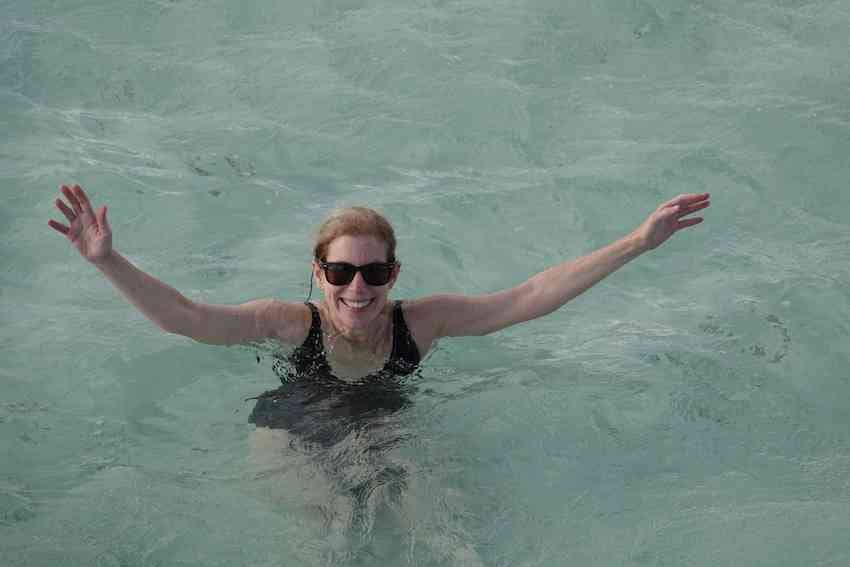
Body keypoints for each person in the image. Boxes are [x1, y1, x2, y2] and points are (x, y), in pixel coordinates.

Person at [48, 184, 710, 430]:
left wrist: (637, 241)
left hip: (385, 417)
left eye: (373, 272)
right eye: (339, 271)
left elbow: (529, 295)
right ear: (319, 271)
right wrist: (108, 260)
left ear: (393, 273)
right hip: (294, 424)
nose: (357, 288)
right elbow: (188, 318)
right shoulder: (289, 322)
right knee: (323, 537)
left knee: (439, 526)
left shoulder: (420, 321)